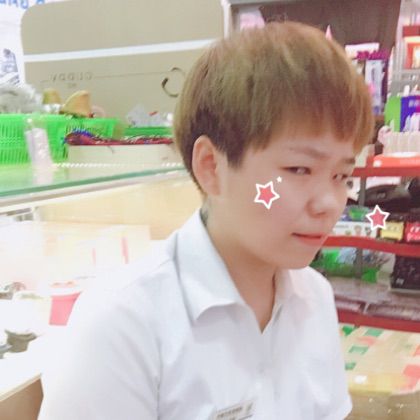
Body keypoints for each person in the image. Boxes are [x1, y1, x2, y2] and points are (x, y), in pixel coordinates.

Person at [38, 21, 373, 420]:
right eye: (300, 169)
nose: (329, 203)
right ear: (211, 166)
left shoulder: (313, 297)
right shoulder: (123, 323)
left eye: (342, 175)